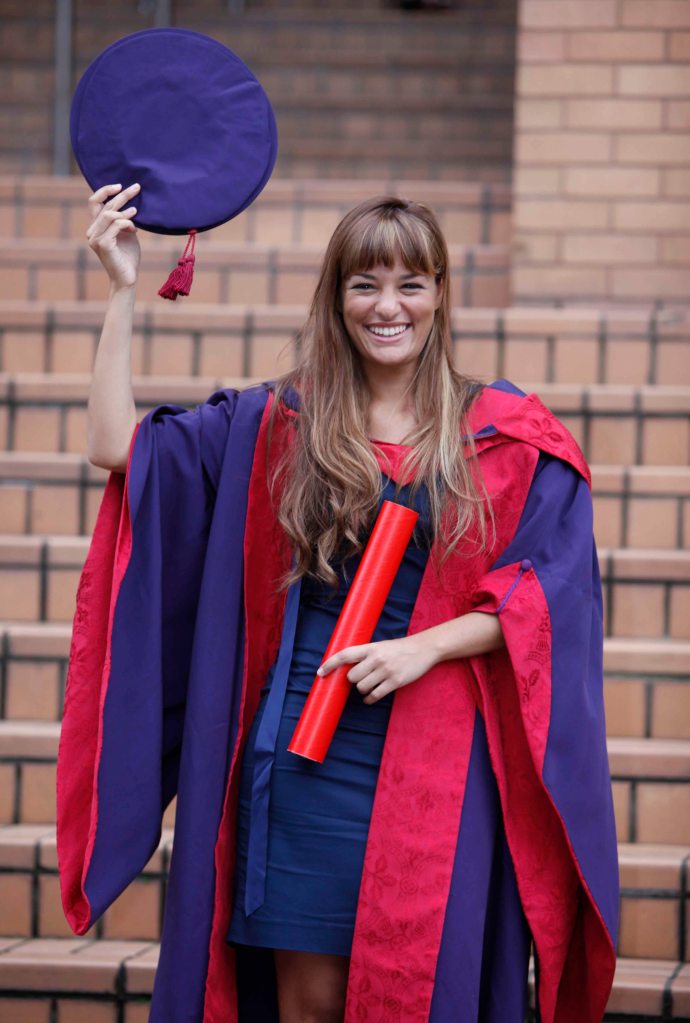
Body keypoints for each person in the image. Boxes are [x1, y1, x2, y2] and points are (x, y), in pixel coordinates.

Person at [57, 187, 619, 1023]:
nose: (388, 305)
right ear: (337, 298)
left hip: (436, 760)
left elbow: (547, 593)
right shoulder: (279, 420)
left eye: (410, 283)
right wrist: (122, 288)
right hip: (302, 754)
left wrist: (425, 646)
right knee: (309, 1003)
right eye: (365, 284)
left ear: (439, 294)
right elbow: (115, 447)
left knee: (422, 993)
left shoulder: (501, 433)